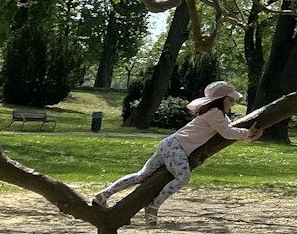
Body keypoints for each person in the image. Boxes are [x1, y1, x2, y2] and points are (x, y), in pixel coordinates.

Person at [92, 81, 264, 225]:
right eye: (230, 99)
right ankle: (153, 206)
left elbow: (228, 131)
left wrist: (249, 136)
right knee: (182, 177)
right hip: (176, 147)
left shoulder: (217, 115)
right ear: (221, 99)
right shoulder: (214, 114)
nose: (232, 102)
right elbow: (227, 133)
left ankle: (104, 195)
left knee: (142, 175)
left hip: (169, 144)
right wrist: (248, 133)